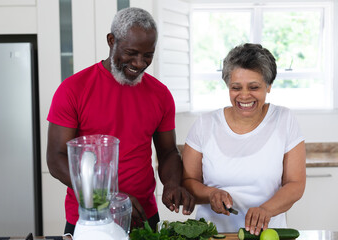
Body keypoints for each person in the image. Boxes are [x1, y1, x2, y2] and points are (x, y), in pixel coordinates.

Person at [46, 7, 194, 234]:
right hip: (90, 218)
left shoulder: (160, 94)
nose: (139, 63)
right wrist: (108, 198)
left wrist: (172, 184)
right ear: (111, 40)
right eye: (131, 52)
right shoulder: (73, 89)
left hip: (143, 217)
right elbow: (56, 159)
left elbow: (167, 152)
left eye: (148, 55)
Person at [182, 43, 306, 235]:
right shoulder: (204, 125)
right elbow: (188, 181)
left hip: (267, 235)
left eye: (254, 87)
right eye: (236, 87)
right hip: (213, 234)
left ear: (269, 86)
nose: (245, 95)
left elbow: (296, 183)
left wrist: (266, 210)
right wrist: (211, 194)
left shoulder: (284, 119)